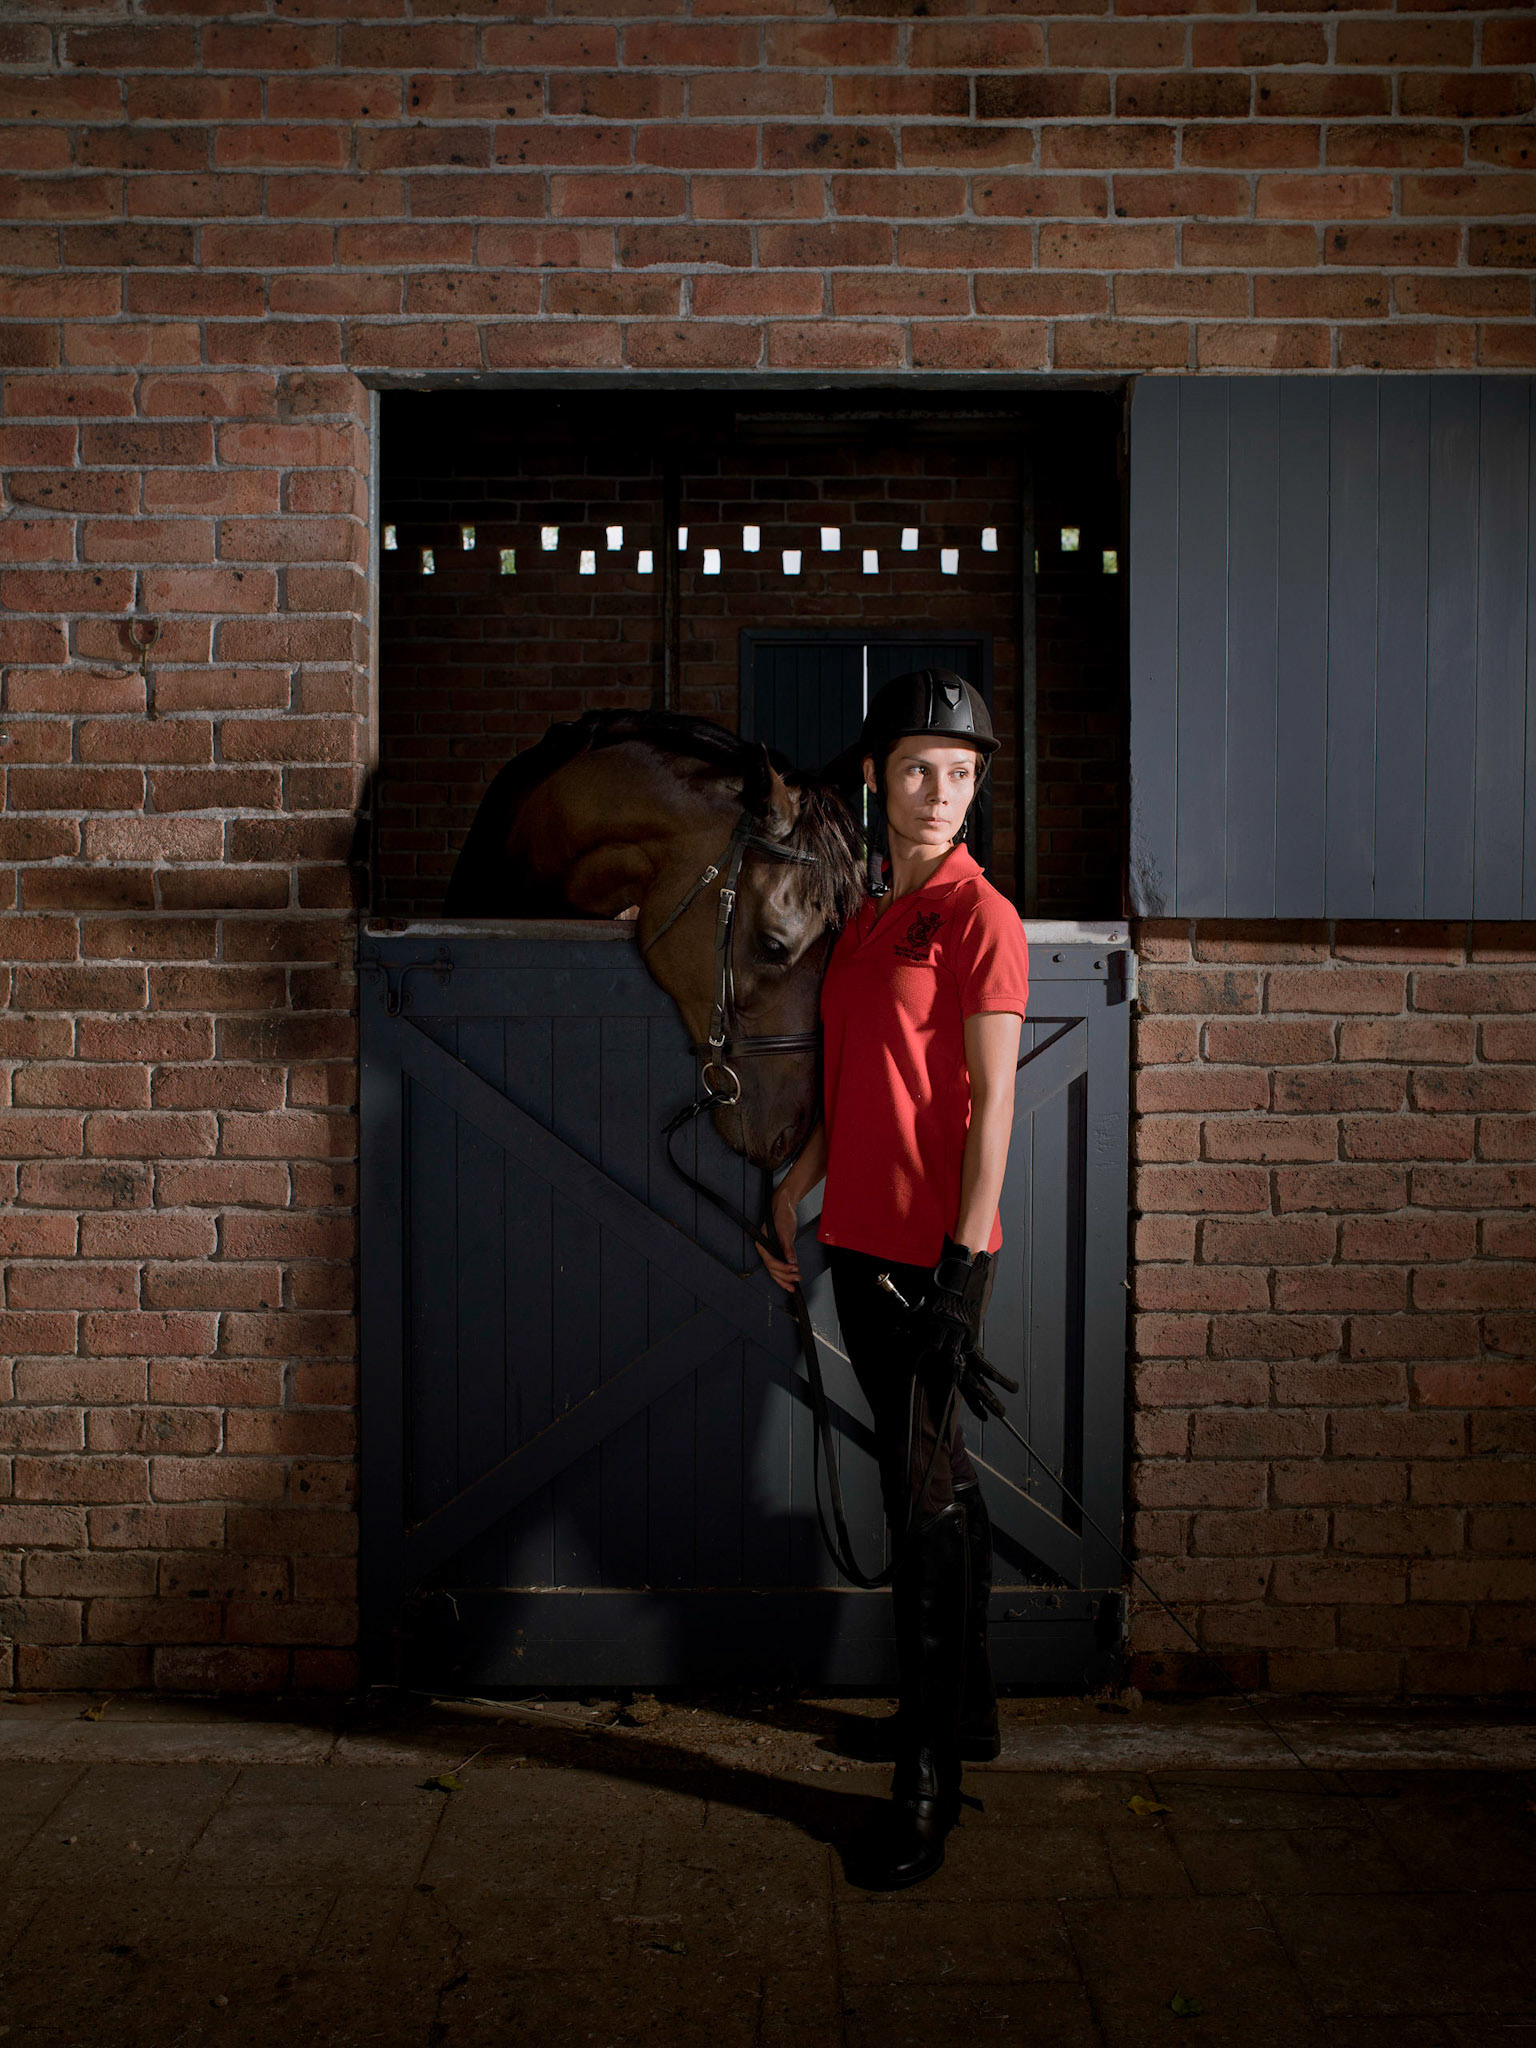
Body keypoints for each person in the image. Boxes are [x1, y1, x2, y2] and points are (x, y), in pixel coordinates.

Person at [758, 668, 1029, 1890]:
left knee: (916, 1496)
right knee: (935, 1476)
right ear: (878, 775)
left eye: (961, 772)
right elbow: (857, 1074)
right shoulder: (870, 912)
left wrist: (966, 1267)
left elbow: (992, 1105)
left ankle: (928, 1779)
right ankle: (965, 1709)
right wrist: (795, 1182)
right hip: (856, 1237)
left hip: (928, 1254)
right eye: (919, 767)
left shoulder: (981, 917)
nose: (940, 791)